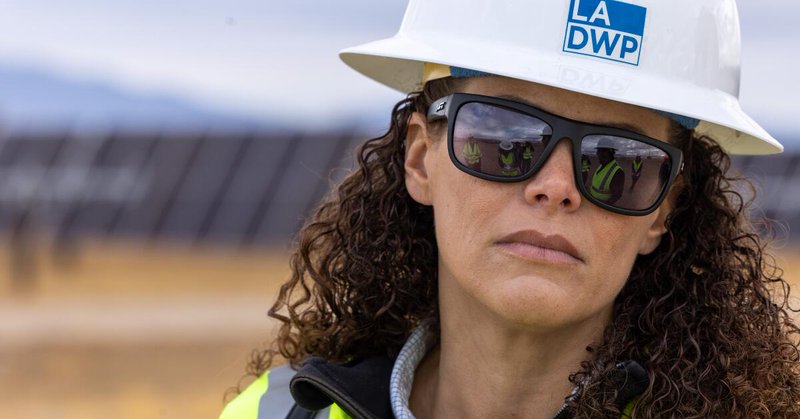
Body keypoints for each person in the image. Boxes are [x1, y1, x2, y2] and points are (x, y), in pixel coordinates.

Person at [221, 1, 800, 418]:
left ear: (662, 212)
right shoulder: (281, 414)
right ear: (422, 159)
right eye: (504, 137)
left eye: (617, 163)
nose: (556, 186)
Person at [589, 139, 625, 205]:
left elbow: (617, 195)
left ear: (611, 153)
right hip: (591, 200)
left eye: (603, 151)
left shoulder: (618, 172)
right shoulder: (601, 165)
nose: (598, 154)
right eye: (598, 151)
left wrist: (604, 206)